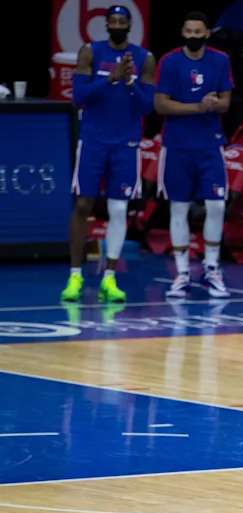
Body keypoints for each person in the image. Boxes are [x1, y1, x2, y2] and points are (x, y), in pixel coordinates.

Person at [62, 5, 155, 303]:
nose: (117, 25)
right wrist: (110, 78)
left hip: (126, 144)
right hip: (93, 140)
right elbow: (79, 97)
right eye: (112, 21)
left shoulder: (145, 59)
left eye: (122, 21)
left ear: (129, 26)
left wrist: (129, 82)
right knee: (82, 204)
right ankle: (75, 275)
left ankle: (110, 279)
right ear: (106, 25)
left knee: (118, 210)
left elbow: (147, 107)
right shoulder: (90, 52)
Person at [154, 11, 233, 298]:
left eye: (197, 31)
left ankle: (212, 269)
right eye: (188, 30)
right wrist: (197, 107)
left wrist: (213, 104)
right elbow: (161, 105)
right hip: (176, 145)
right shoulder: (170, 61)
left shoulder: (220, 60)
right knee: (178, 208)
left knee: (216, 206)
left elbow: (226, 102)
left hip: (210, 145)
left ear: (207, 33)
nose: (192, 35)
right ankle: (182, 273)